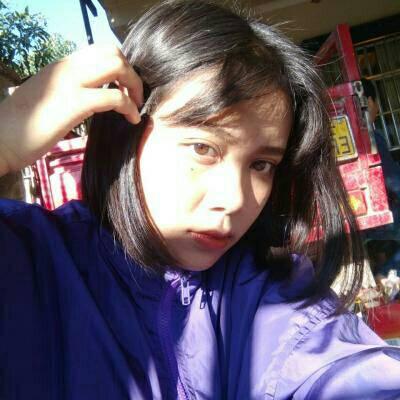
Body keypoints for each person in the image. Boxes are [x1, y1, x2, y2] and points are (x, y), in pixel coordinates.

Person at [1, 1, 400, 399]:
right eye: (203, 148)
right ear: (126, 133)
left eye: (261, 165)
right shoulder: (27, 262)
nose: (234, 199)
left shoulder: (267, 293)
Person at [362, 78, 400, 278]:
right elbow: (393, 181)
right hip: (379, 219)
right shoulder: (372, 137)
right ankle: (387, 278)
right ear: (369, 102)